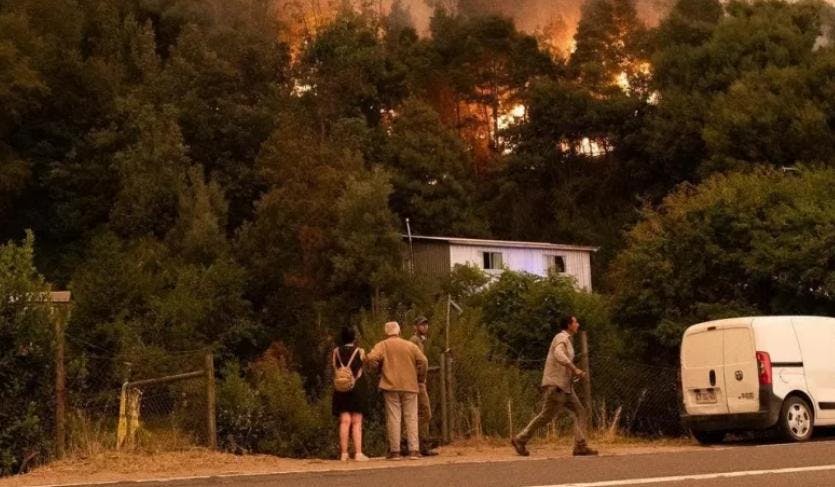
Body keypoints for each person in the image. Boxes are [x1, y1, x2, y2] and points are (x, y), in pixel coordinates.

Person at [511, 315, 598, 457]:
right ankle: (520, 439)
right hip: (557, 387)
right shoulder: (561, 337)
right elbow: (558, 354)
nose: (578, 324)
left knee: (579, 412)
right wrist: (574, 368)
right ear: (569, 325)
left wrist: (572, 373)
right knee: (546, 416)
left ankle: (580, 446)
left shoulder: (567, 340)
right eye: (575, 322)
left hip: (565, 388)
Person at [366, 321, 428, 460]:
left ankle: (395, 451)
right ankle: (414, 450)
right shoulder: (410, 345)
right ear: (399, 332)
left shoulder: (383, 345)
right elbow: (423, 361)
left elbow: (370, 357)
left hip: (390, 385)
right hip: (410, 385)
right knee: (411, 417)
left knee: (394, 418)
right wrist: (420, 377)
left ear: (386, 333)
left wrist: (377, 367)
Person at [331, 327, 370, 461]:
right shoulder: (359, 351)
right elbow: (363, 366)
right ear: (354, 338)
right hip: (356, 388)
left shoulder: (335, 352)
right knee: (357, 421)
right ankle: (358, 453)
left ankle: (344, 453)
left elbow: (335, 368)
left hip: (341, 389)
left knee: (344, 420)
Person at [408, 315, 438, 456]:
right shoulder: (415, 341)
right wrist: (421, 377)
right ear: (415, 327)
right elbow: (421, 361)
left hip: (416, 381)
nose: (425, 327)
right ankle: (421, 443)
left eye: (426, 324)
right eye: (421, 325)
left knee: (419, 413)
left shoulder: (419, 340)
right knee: (425, 412)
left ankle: (416, 442)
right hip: (418, 382)